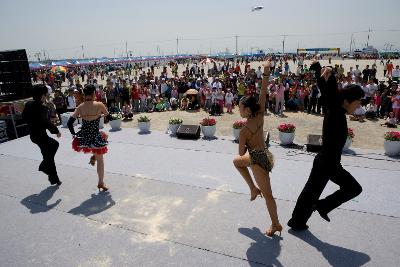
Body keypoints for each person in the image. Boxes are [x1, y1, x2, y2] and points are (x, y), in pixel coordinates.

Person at [288, 58, 365, 231]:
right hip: (329, 163)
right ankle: (322, 206)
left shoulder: (337, 109)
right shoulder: (335, 111)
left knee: (310, 192)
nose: (358, 106)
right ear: (346, 101)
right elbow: (328, 90)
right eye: (357, 102)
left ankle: (297, 221)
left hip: (326, 161)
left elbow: (329, 89)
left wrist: (322, 71)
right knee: (353, 188)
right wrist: (324, 72)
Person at [233, 58, 282, 237]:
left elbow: (241, 153)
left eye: (240, 107)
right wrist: (266, 71)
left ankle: (276, 223)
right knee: (236, 162)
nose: (238, 109)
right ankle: (253, 188)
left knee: (268, 195)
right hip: (265, 155)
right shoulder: (260, 114)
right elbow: (263, 91)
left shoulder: (244, 131)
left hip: (256, 159)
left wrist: (242, 140)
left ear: (246, 109)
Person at [67, 84, 110, 192]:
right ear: (94, 94)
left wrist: (74, 135)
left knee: (95, 150)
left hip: (84, 137)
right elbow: (109, 118)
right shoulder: (99, 104)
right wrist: (102, 116)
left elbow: (69, 123)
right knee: (101, 159)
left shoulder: (80, 107)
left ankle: (93, 157)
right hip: (95, 137)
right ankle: (101, 182)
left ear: (84, 94)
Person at [22, 84, 62, 186]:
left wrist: (32, 124)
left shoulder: (28, 104)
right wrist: (56, 131)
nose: (47, 97)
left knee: (51, 150)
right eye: (46, 95)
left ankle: (52, 176)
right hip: (41, 136)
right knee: (50, 156)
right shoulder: (41, 108)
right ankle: (48, 171)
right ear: (42, 96)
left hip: (33, 136)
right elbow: (46, 122)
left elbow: (24, 117)